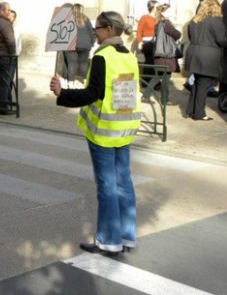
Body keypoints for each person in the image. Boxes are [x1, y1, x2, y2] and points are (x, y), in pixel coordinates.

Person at [50, 11, 142, 256]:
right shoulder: (130, 57)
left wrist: (62, 94)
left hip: (103, 132)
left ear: (110, 29)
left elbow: (93, 94)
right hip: (124, 130)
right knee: (124, 183)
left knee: (107, 186)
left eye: (98, 28)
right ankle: (127, 236)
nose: (95, 32)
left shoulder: (102, 56)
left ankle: (108, 240)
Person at [185, 0, 227, 121]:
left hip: (194, 54)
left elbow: (190, 36)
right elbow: (221, 40)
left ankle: (190, 110)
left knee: (197, 83)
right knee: (203, 85)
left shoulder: (194, 20)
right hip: (208, 57)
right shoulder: (216, 21)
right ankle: (199, 114)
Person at [152, 4, 181, 105]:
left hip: (160, 55)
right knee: (166, 79)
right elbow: (176, 34)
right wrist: (178, 32)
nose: (171, 13)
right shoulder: (166, 23)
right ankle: (164, 100)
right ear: (163, 12)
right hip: (166, 55)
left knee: (158, 76)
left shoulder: (157, 22)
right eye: (169, 11)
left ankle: (146, 95)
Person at [63, 3, 95, 88]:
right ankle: (85, 81)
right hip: (85, 45)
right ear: (82, 10)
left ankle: (70, 83)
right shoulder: (86, 19)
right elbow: (91, 32)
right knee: (84, 64)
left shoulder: (67, 19)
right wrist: (92, 43)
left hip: (71, 45)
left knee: (71, 64)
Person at [136, 0, 159, 88]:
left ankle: (154, 83)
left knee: (156, 62)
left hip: (157, 42)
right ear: (152, 7)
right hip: (147, 42)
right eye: (157, 7)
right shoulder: (145, 17)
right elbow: (139, 31)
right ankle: (147, 83)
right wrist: (140, 42)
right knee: (149, 61)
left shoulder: (159, 18)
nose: (159, 8)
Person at [5, 10, 22, 110]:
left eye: (12, 16)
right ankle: (6, 101)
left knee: (10, 80)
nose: (10, 17)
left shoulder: (17, 30)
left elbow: (19, 44)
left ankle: (9, 99)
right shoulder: (4, 28)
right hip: (5, 58)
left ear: (14, 19)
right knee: (6, 80)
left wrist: (16, 54)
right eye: (9, 15)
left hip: (13, 58)